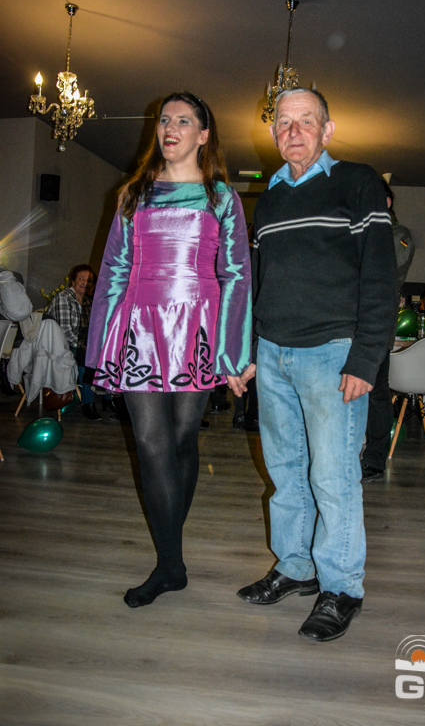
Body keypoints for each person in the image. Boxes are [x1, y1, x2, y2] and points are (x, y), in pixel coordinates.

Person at [234, 87, 397, 642]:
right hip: (273, 353)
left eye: (307, 121)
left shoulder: (357, 182)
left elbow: (380, 277)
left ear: (327, 130)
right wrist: (249, 350)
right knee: (285, 474)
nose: (294, 131)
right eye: (284, 122)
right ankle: (296, 566)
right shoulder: (270, 198)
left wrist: (366, 358)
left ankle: (342, 587)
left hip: (333, 353)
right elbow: (260, 283)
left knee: (333, 477)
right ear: (273, 133)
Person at [86, 92, 252, 608]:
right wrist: (101, 344)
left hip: (196, 328)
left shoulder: (222, 198)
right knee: (152, 443)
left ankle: (170, 551)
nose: (170, 127)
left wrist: (233, 350)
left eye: (183, 120)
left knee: (182, 441)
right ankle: (170, 565)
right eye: (164, 120)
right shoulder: (132, 194)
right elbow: (113, 269)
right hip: (139, 325)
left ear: (204, 135)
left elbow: (236, 274)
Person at [361, 181, 415, 481]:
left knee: (376, 392)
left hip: (377, 321)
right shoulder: (358, 231)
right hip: (348, 321)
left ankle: (374, 460)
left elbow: (386, 274)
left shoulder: (399, 235)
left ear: (387, 202)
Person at [46, 264, 102, 420]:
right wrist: (86, 346)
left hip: (81, 343)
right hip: (61, 345)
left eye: (88, 280)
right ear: (72, 281)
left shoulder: (89, 302)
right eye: (81, 278)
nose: (84, 283)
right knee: (86, 358)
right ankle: (88, 403)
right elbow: (66, 332)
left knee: (109, 354)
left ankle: (109, 399)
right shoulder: (63, 298)